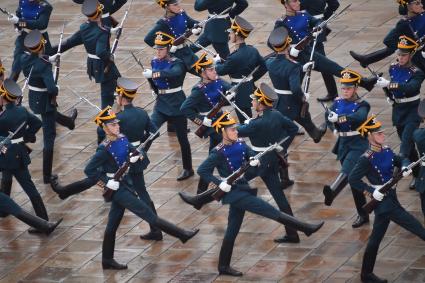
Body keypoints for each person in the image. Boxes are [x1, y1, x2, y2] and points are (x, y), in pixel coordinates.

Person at [180, 112, 324, 276]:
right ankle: (305, 228)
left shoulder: (241, 144)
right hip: (234, 194)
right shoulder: (218, 152)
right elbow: (202, 170)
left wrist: (255, 161)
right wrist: (220, 183)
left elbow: (252, 157)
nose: (236, 131)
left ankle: (223, 266)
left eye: (235, 128)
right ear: (223, 133)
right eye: (232, 130)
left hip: (242, 187)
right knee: (270, 211)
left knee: (232, 229)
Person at [84, 106, 199, 270]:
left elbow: (134, 151)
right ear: (105, 128)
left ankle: (107, 260)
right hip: (117, 189)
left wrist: (139, 155)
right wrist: (106, 183)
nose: (117, 127)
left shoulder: (122, 138)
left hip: (125, 183)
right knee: (148, 214)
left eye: (117, 124)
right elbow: (89, 170)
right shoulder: (104, 148)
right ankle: (181, 234)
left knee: (112, 225)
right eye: (113, 125)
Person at [348, 116, 425, 283]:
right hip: (384, 203)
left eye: (382, 132)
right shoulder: (366, 158)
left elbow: (401, 158)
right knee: (417, 227)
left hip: (391, 197)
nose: (383, 135)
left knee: (375, 239)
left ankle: (366, 274)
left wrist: (404, 166)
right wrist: (370, 191)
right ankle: (366, 275)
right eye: (379, 134)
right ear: (370, 137)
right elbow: (353, 179)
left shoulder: (386, 150)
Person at [237, 83, 301, 243]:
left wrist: (241, 125)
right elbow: (293, 129)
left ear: (261, 102)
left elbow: (234, 132)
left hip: (259, 163)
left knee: (232, 182)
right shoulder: (276, 115)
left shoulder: (256, 124)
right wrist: (281, 147)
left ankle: (203, 199)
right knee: (280, 198)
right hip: (270, 159)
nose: (252, 103)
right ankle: (293, 233)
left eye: (254, 100)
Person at [275, 0, 377, 92]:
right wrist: (287, 51)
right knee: (293, 89)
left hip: (308, 52)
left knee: (336, 68)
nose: (298, 3)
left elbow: (317, 22)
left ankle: (365, 83)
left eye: (297, 0)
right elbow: (272, 42)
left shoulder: (304, 15)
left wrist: (317, 27)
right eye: (294, 1)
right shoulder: (281, 22)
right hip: (295, 58)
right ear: (286, 4)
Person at [20, 30, 78, 184]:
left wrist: (49, 59)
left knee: (51, 115)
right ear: (42, 46)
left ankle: (69, 122)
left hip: (34, 97)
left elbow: (37, 62)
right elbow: (52, 89)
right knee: (49, 138)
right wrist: (55, 87)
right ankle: (46, 176)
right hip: (46, 101)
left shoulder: (24, 58)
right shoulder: (44, 66)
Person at [0, 78, 52, 233]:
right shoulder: (22, 111)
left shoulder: (3, 118)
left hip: (6, 155)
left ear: (4, 97)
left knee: (16, 181)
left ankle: (42, 222)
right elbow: (37, 123)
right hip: (18, 153)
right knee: (18, 183)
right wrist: (26, 136)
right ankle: (5, 211)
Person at [375, 35, 425, 190]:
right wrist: (389, 95)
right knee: (409, 149)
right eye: (399, 54)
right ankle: (418, 176)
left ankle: (390, 183)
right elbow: (392, 90)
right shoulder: (393, 67)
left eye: (403, 55)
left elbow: (410, 88)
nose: (400, 57)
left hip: (412, 112)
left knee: (404, 147)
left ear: (410, 55)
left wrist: (390, 85)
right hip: (398, 112)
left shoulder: (417, 72)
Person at [142, 31, 194, 181]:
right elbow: (152, 79)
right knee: (150, 132)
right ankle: (137, 160)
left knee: (182, 139)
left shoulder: (176, 62)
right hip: (161, 104)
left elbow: (174, 73)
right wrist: (154, 88)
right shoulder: (154, 61)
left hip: (177, 104)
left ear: (168, 48)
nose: (158, 52)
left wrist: (154, 74)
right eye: (157, 49)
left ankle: (188, 168)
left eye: (161, 49)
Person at [55, 0, 120, 116]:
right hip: (103, 66)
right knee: (107, 100)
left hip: (92, 65)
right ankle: (102, 129)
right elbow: (100, 52)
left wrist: (48, 52)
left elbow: (69, 43)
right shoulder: (102, 32)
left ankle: (124, 105)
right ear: (100, 13)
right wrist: (110, 56)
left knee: (120, 83)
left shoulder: (84, 27)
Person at [323, 69, 370, 228]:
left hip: (358, 144)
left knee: (350, 174)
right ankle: (363, 214)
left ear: (356, 88)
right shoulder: (337, 102)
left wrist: (340, 118)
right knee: (354, 181)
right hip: (343, 144)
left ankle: (332, 191)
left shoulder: (362, 105)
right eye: (343, 88)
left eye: (348, 88)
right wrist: (333, 127)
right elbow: (328, 116)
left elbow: (360, 117)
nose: (345, 91)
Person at [180, 53, 231, 193]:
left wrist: (231, 94)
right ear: (203, 73)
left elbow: (230, 87)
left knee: (211, 159)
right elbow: (185, 108)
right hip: (211, 126)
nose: (215, 71)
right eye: (210, 70)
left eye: (214, 69)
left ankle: (200, 194)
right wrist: (202, 121)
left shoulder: (217, 81)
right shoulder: (199, 90)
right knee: (227, 151)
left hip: (221, 121)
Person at [266, 27, 326, 145]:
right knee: (284, 134)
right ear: (288, 45)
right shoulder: (293, 66)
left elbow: (282, 72)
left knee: (304, 116)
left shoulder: (270, 62)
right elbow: (295, 88)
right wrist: (303, 96)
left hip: (278, 99)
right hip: (290, 102)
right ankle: (281, 156)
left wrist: (302, 69)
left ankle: (315, 133)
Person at [214, 16, 268, 123]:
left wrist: (217, 62)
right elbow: (264, 67)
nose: (229, 35)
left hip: (239, 91)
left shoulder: (234, 56)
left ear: (237, 34)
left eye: (231, 33)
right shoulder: (252, 50)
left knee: (245, 120)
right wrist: (251, 79)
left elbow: (221, 71)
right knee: (248, 114)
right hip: (250, 86)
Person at [350, 0, 425, 72]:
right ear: (409, 7)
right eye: (417, 3)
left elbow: (388, 41)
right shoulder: (404, 24)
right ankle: (366, 59)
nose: (421, 5)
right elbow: (388, 40)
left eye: (420, 2)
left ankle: (366, 59)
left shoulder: (407, 22)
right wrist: (405, 46)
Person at [300, 0, 340, 102]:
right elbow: (334, 4)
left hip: (310, 28)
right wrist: (323, 18)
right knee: (319, 61)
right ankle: (332, 92)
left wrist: (322, 19)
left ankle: (293, 93)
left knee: (309, 61)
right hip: (310, 26)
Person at [144, 0, 200, 73]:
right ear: (167, 7)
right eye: (175, 5)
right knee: (174, 81)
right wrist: (166, 48)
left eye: (178, 4)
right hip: (172, 57)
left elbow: (193, 23)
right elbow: (148, 39)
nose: (179, 6)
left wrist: (198, 27)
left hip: (187, 53)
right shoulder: (163, 23)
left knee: (205, 74)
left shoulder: (182, 14)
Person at [7, 0, 54, 81]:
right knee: (15, 69)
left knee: (43, 70)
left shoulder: (46, 6)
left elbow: (40, 24)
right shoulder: (23, 1)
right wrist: (16, 26)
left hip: (39, 40)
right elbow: (19, 15)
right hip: (24, 38)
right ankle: (6, 93)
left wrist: (19, 22)